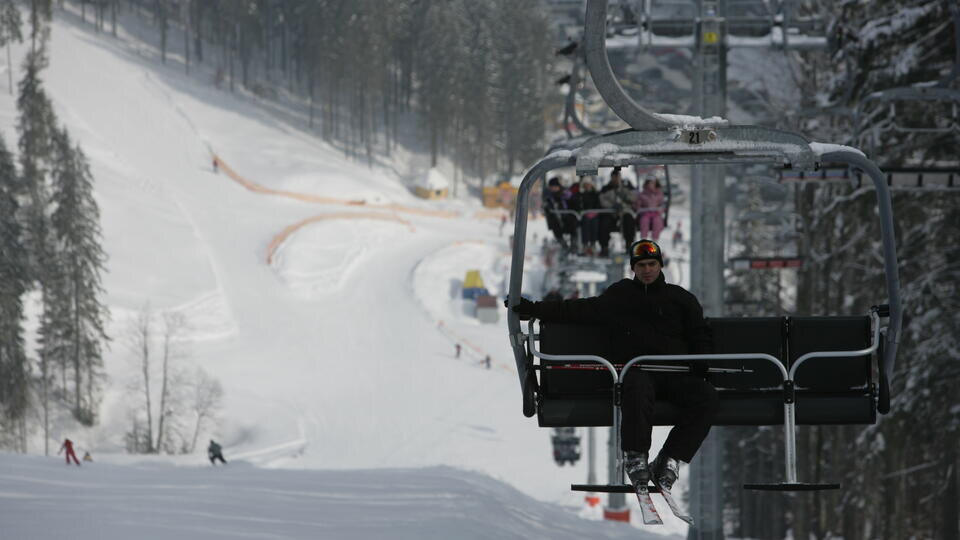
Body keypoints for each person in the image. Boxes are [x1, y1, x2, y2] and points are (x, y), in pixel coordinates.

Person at [510, 239, 717, 493]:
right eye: (641, 265)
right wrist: (534, 309)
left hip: (676, 374)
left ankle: (671, 458)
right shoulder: (620, 296)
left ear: (660, 265)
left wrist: (702, 361)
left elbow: (699, 333)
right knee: (637, 387)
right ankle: (636, 456)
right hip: (637, 372)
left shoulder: (680, 299)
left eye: (652, 264)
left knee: (706, 396)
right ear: (633, 268)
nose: (647, 270)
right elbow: (579, 309)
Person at [598, 167, 637, 256]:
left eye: (617, 177)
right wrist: (612, 206)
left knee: (629, 220)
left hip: (624, 212)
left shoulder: (626, 186)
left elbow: (634, 197)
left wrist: (625, 196)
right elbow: (602, 200)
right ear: (611, 178)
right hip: (611, 213)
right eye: (614, 177)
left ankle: (629, 245)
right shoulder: (606, 188)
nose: (616, 179)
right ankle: (604, 247)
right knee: (604, 222)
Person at [542, 177, 577, 250]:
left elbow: (573, 204)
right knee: (556, 228)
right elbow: (546, 208)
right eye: (551, 187)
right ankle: (564, 246)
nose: (553, 189)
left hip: (568, 217)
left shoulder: (566, 194)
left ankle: (573, 246)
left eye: (555, 187)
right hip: (555, 218)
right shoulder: (549, 197)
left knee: (573, 226)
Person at [572, 177, 602, 256]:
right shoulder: (580, 195)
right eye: (585, 184)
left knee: (594, 223)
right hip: (584, 216)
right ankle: (585, 244)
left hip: (594, 215)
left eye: (588, 184)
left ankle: (593, 243)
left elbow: (598, 205)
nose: (587, 186)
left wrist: (594, 212)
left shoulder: (595, 194)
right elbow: (577, 205)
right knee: (585, 223)